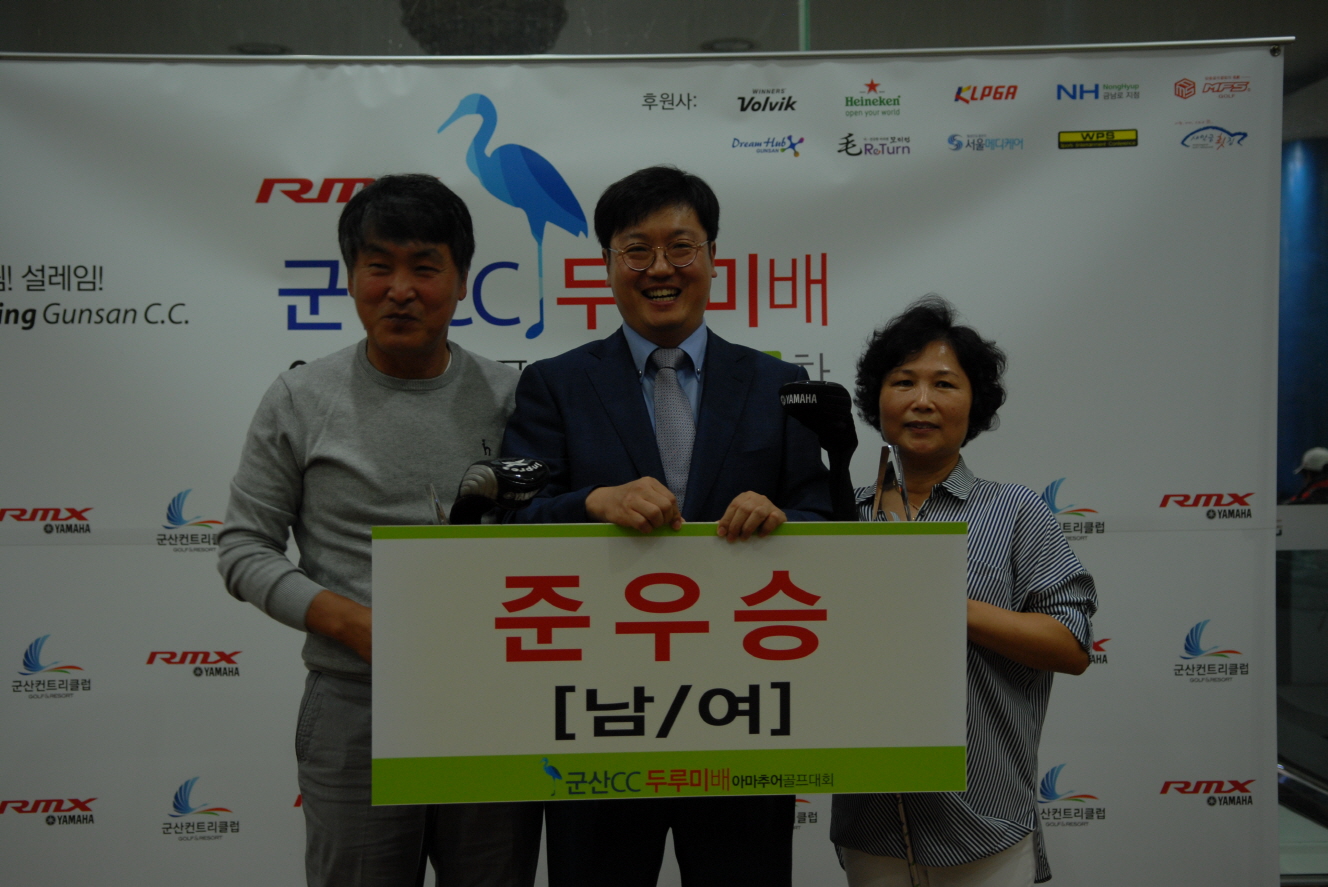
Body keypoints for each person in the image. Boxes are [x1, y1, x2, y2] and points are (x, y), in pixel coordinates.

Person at [500, 165, 833, 886]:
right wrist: (592, 501)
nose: (660, 268)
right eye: (636, 249)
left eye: (681, 247)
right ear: (606, 263)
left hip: (743, 711)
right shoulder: (555, 384)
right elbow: (511, 517)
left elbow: (822, 510)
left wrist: (783, 518)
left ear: (712, 257)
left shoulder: (778, 385)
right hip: (598, 715)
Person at [217, 174, 541, 887]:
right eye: (378, 266)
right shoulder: (300, 398)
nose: (400, 289)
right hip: (355, 705)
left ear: (462, 282)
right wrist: (356, 625)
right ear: (350, 276)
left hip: (490, 701)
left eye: (424, 267)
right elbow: (243, 547)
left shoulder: (513, 398)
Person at [830, 298, 1097, 887]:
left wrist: (938, 602)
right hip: (871, 820)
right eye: (904, 382)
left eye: (944, 384)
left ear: (974, 404)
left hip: (986, 821)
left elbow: (1071, 645)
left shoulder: (1016, 511)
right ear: (878, 398)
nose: (922, 400)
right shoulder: (839, 517)